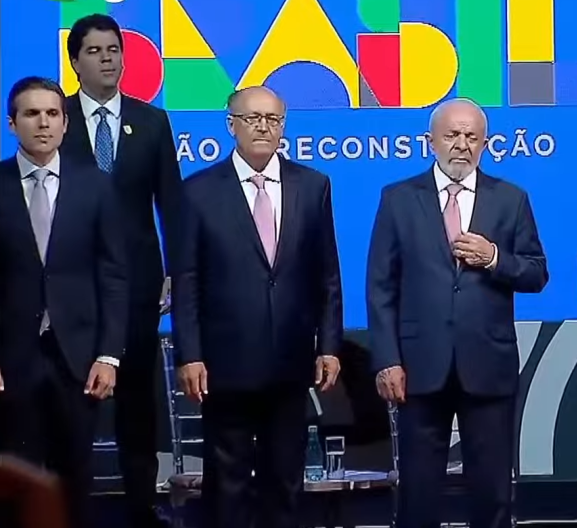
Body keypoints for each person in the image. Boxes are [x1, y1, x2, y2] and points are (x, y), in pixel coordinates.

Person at [367, 98, 548, 528]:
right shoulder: (398, 199)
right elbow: (381, 286)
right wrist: (388, 359)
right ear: (430, 141)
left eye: (472, 136)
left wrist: (494, 257)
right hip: (419, 367)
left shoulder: (510, 199)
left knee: (492, 491)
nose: (462, 145)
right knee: (417, 493)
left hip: (487, 364)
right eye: (452, 135)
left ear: (485, 143)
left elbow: (536, 273)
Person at [172, 86, 343, 528]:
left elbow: (327, 274)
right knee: (227, 483)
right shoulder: (198, 191)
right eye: (253, 118)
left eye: (273, 119)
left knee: (285, 481)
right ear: (231, 125)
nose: (264, 127)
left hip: (290, 361)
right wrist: (189, 354)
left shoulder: (313, 186)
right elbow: (187, 281)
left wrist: (329, 346)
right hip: (223, 364)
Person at [61, 15, 182, 527]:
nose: (108, 59)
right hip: (71, 282)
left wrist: (175, 269)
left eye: (114, 49)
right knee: (72, 401)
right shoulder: (56, 116)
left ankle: (142, 504)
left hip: (137, 282)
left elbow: (171, 203)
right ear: (75, 61)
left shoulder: (150, 121)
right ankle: (68, 507)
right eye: (95, 51)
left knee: (136, 397)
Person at [0, 76, 128, 528]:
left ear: (66, 122)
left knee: (75, 483)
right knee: (16, 484)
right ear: (12, 123)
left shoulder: (95, 186)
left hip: (79, 361)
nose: (43, 123)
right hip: (12, 361)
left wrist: (109, 355)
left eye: (52, 113)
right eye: (32, 114)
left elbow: (114, 276)